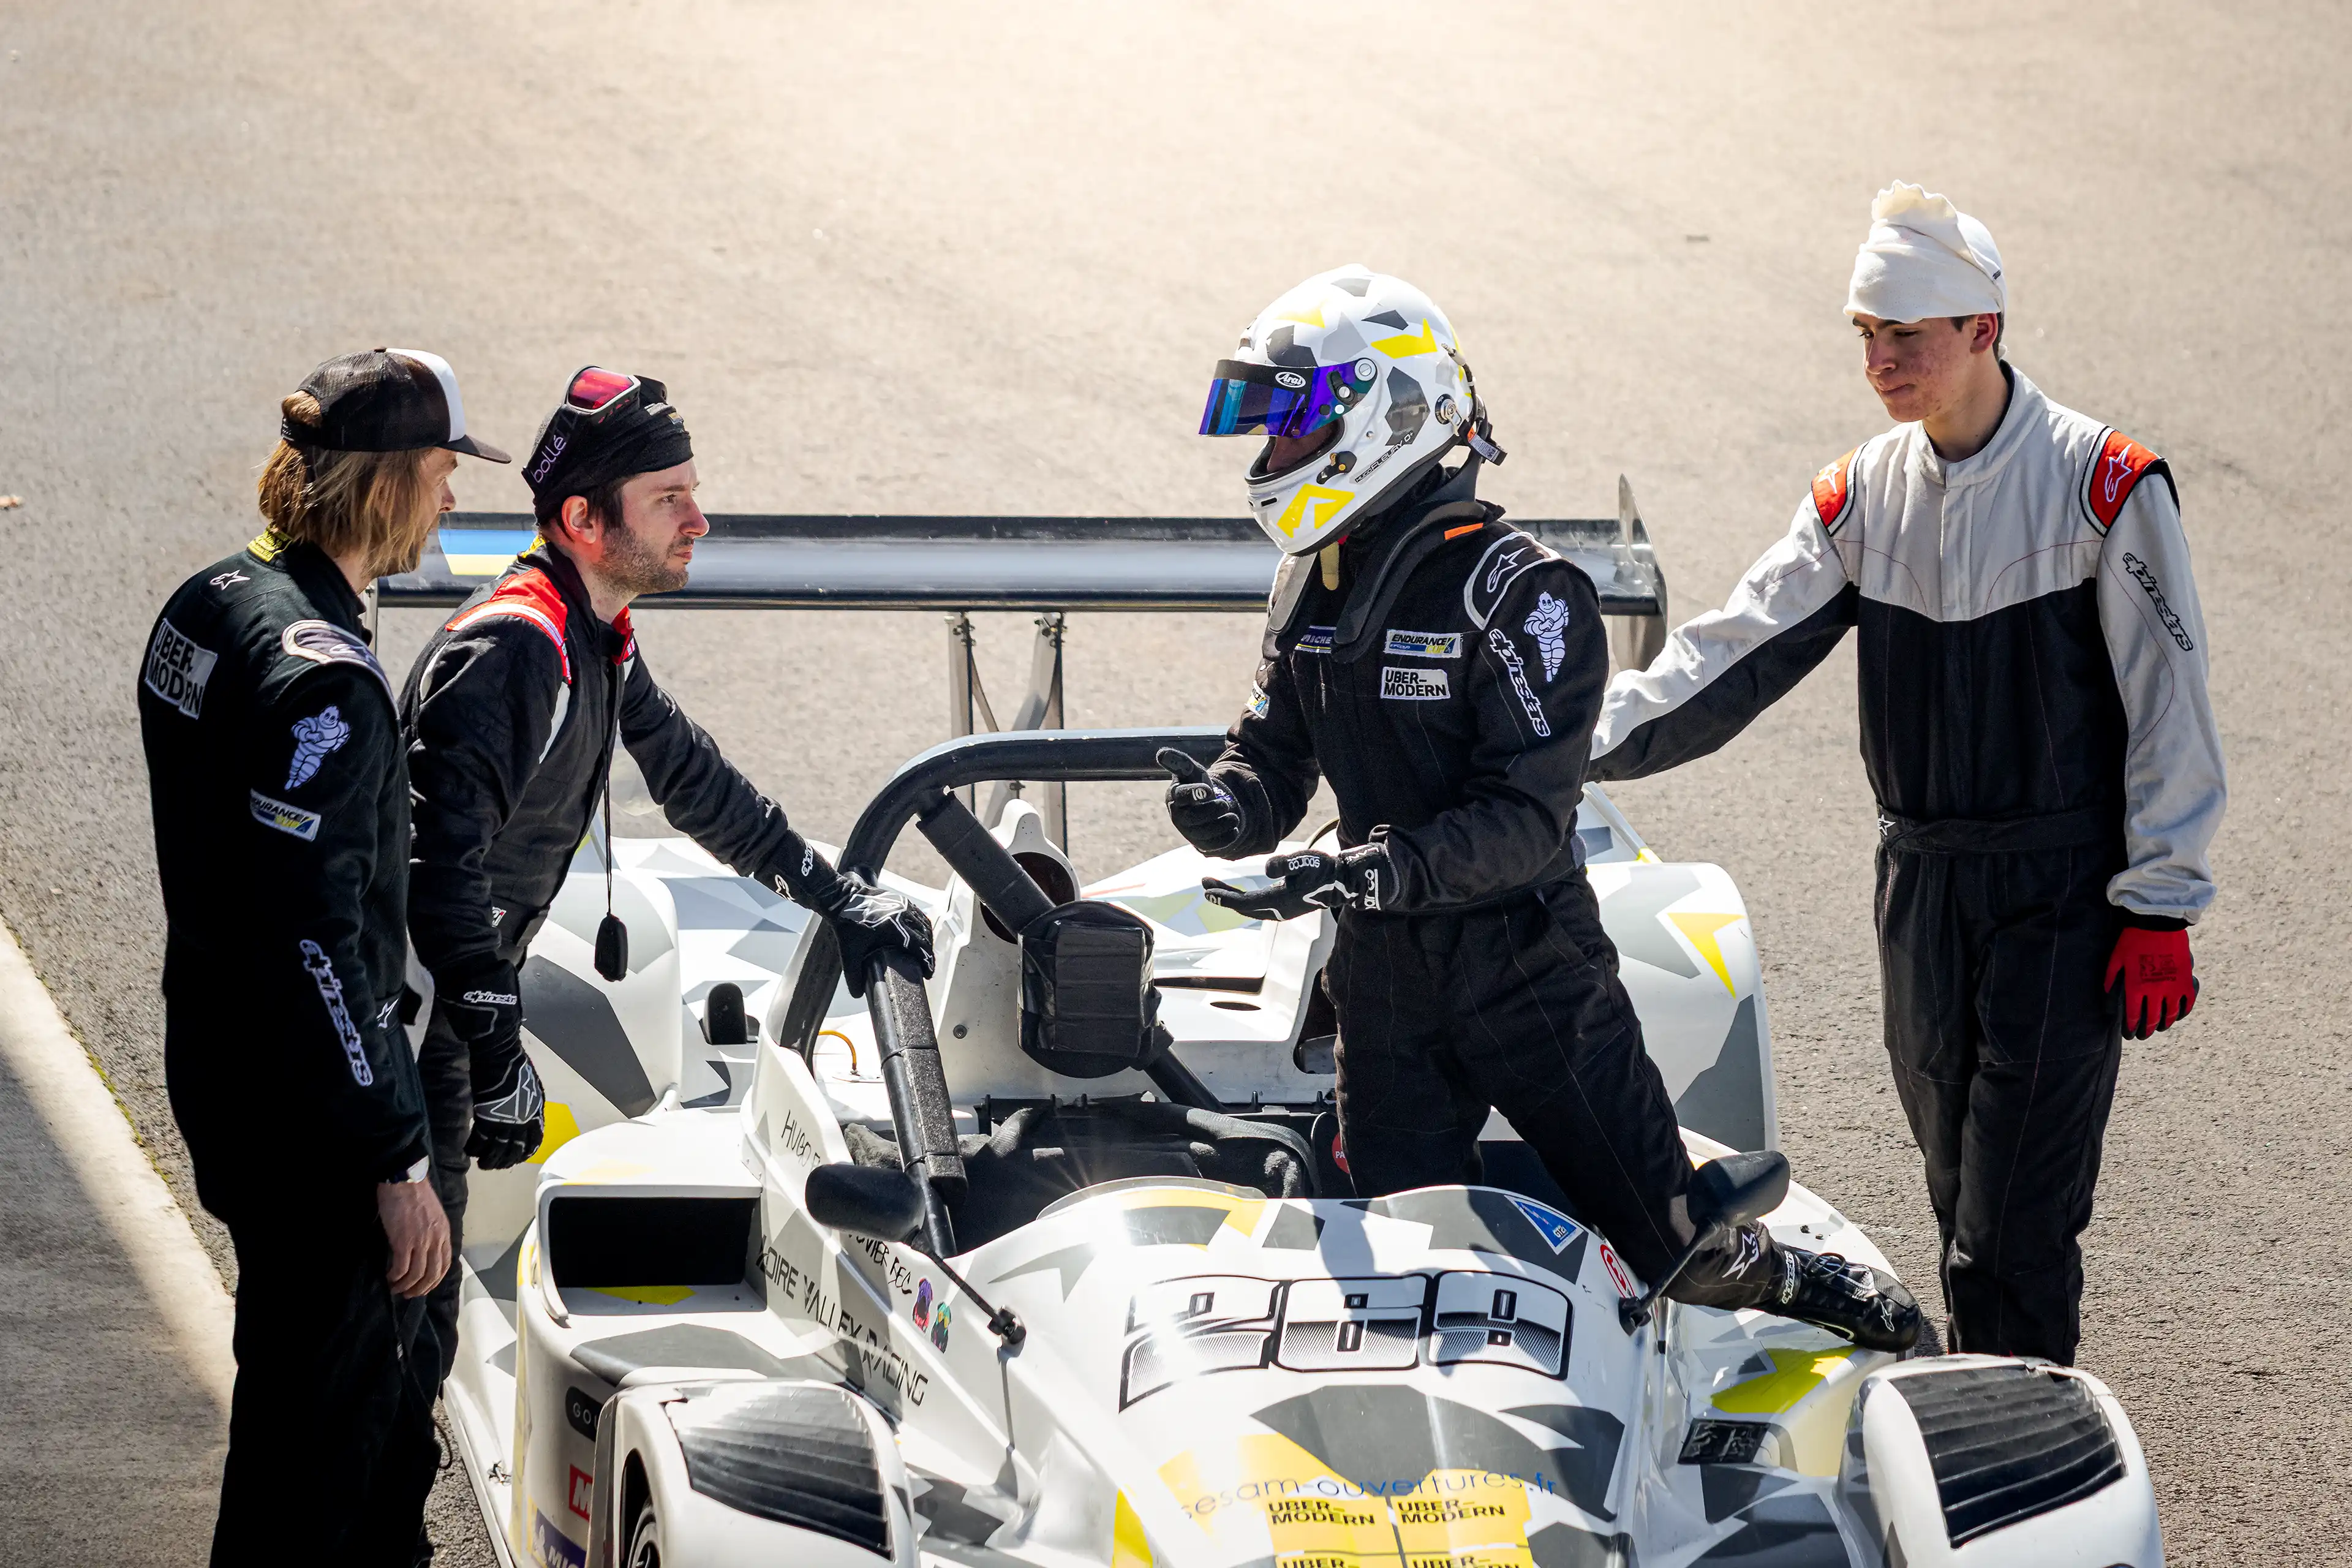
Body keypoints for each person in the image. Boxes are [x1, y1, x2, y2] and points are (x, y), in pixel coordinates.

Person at [1165, 266, 1920, 1350]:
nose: (1270, 455)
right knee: (1389, 1263)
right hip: (1382, 981)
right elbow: (1274, 753)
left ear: (1388, 414)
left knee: (1669, 1247)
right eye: (1269, 430)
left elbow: (1526, 823)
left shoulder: (1527, 594)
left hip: (1529, 974)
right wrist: (1231, 804)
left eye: (1292, 425)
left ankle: (1804, 1283)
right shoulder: (1309, 582)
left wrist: (1375, 867)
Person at [1590, 185, 2225, 1363]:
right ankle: (1994, 1413)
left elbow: (2170, 707)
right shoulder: (1857, 497)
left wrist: (2161, 901)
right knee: (1954, 1195)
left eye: (1907, 337)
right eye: (1865, 336)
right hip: (1921, 890)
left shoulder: (2106, 485)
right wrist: (1557, 740)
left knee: (2012, 1229)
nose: (1881, 361)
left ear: (1983, 329)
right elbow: (1725, 657)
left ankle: (2019, 1477)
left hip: (2064, 893)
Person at [401, 366, 935, 1385]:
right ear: (584, 520)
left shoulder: (592, 633)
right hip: (403, 1037)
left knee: (417, 1341)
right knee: (389, 1344)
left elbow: (695, 782)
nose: (700, 518)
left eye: (692, 489)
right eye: (669, 498)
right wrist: (493, 1040)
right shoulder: (517, 649)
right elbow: (437, 873)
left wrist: (838, 897)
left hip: (439, 1028)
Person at [138, 349, 510, 1564]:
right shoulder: (332, 692)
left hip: (221, 1063)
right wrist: (396, 1155)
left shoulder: (202, 604)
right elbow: (318, 941)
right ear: (394, 481)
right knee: (313, 1467)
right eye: (447, 472)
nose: (455, 499)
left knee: (294, 1430)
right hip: (313, 1128)